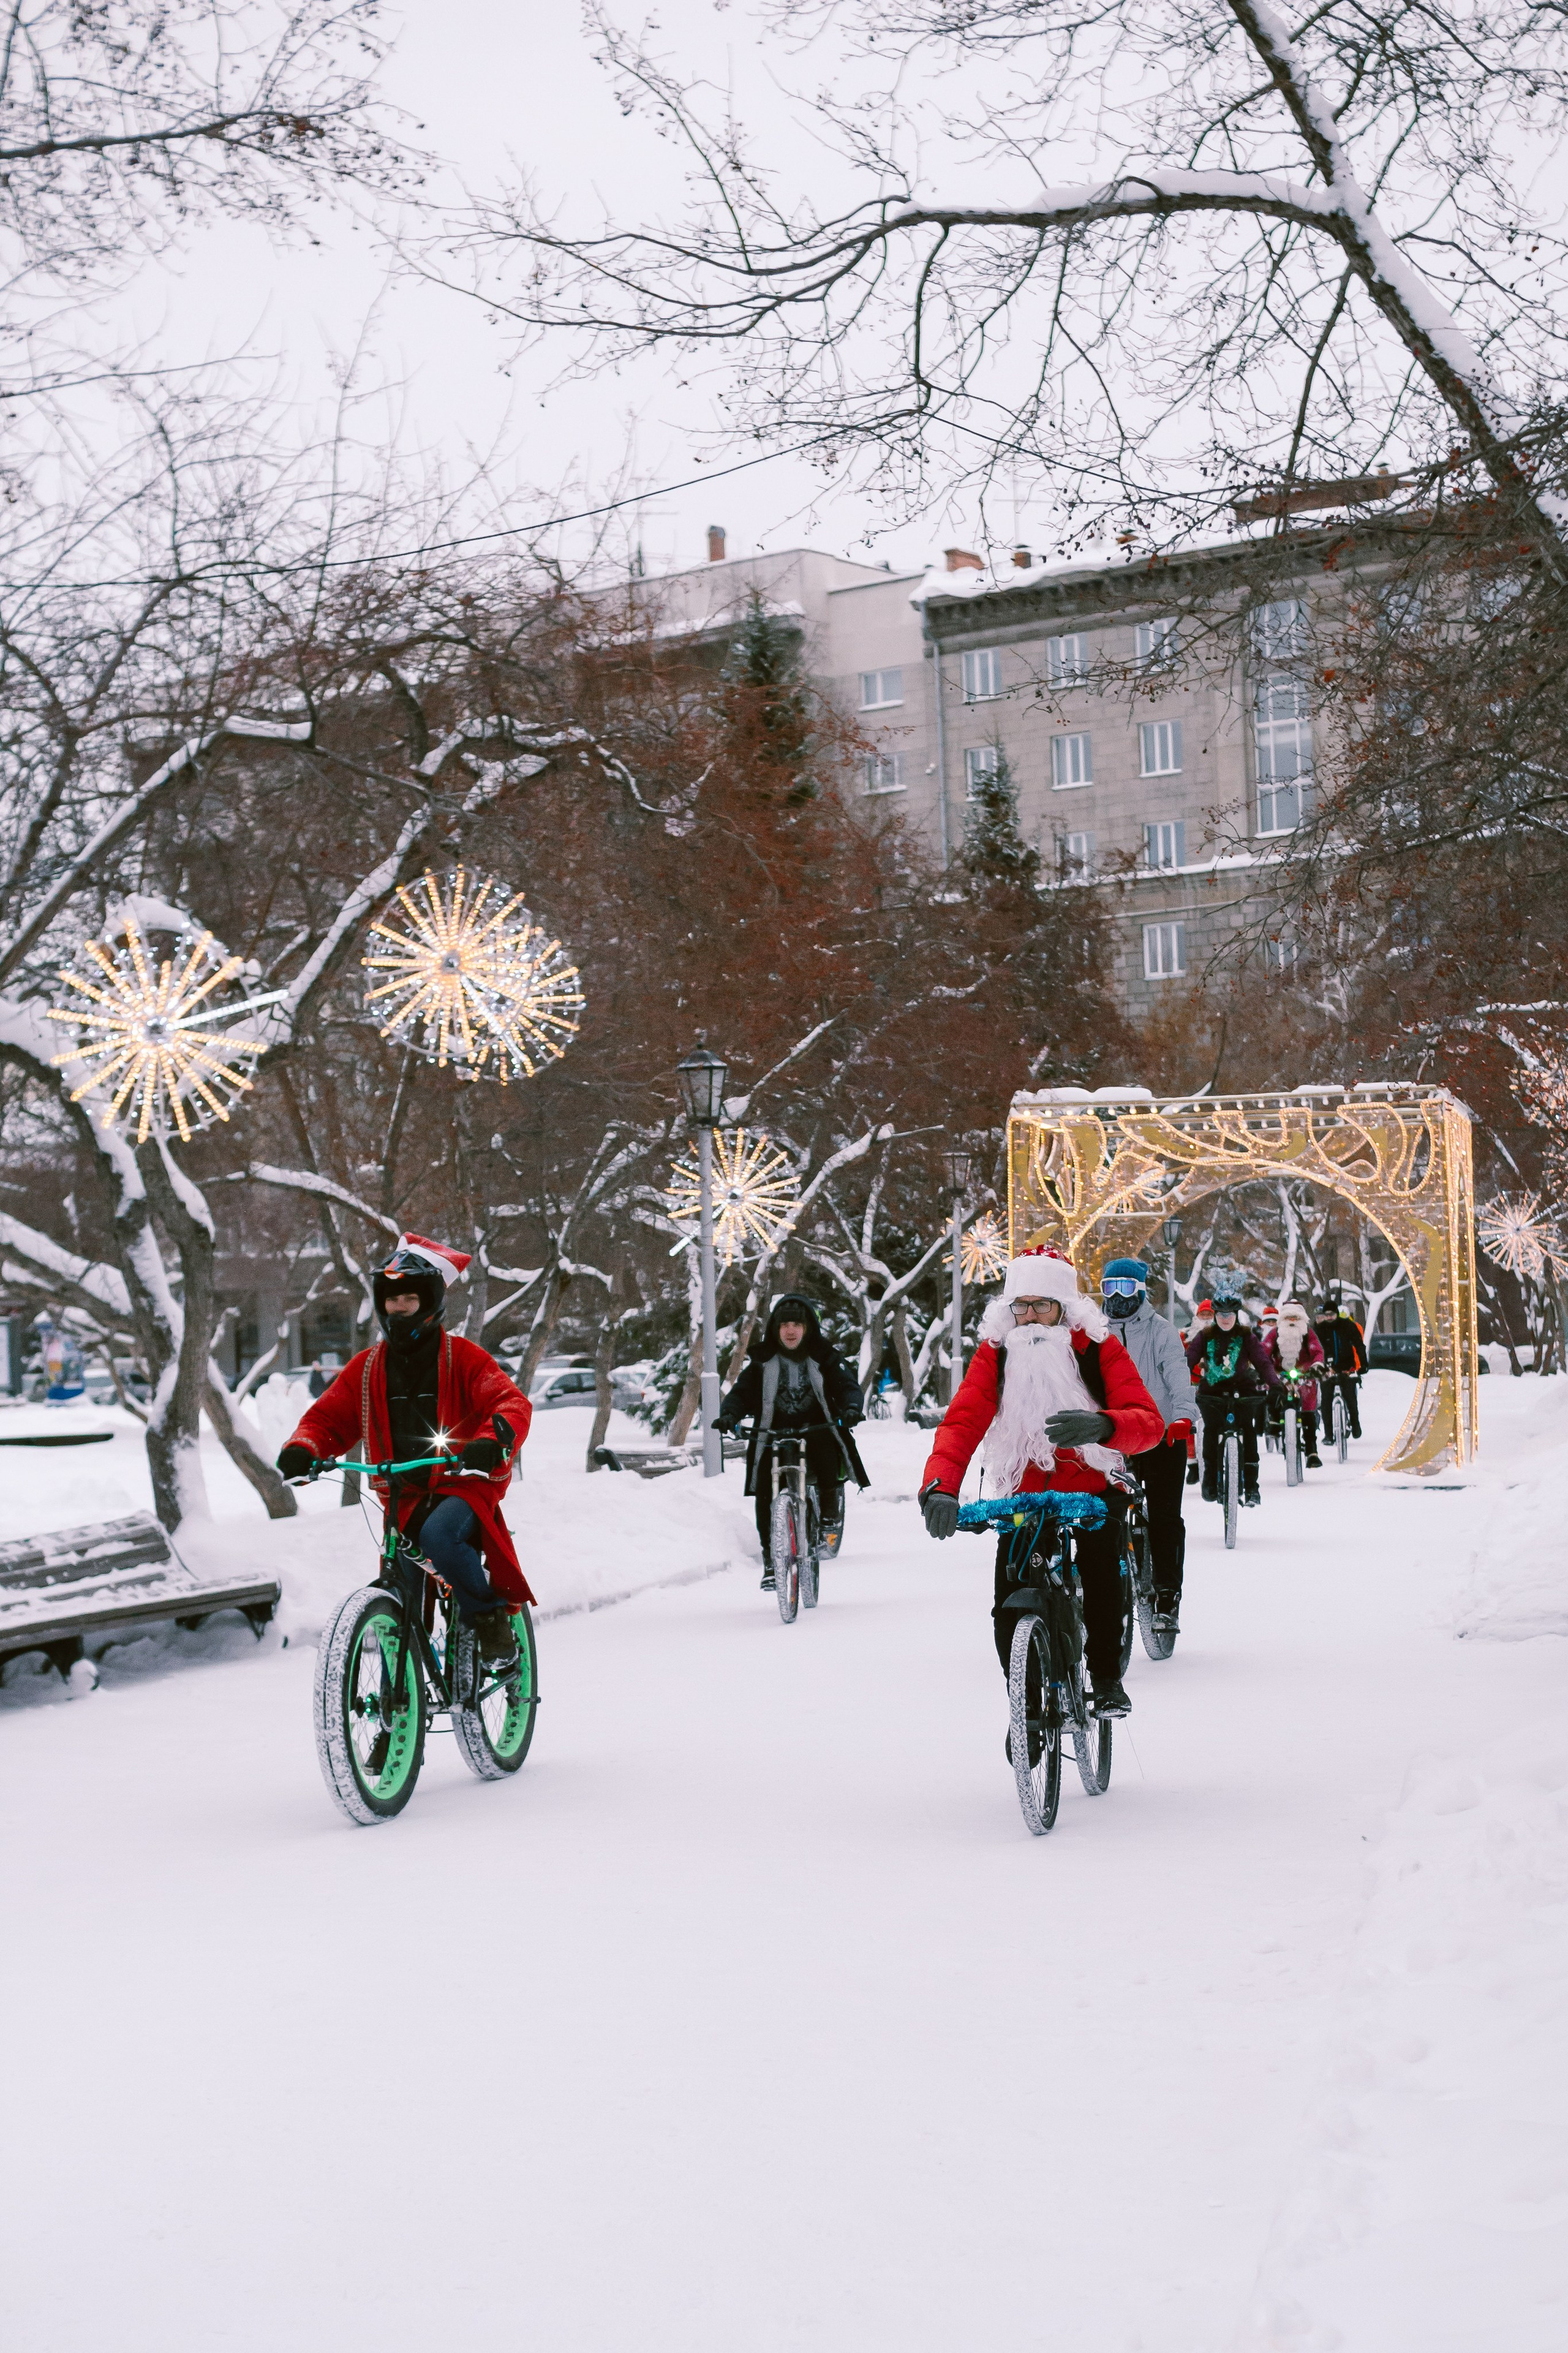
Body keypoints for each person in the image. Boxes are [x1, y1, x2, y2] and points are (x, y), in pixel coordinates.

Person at [918, 1245, 1163, 1720]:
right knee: (1007, 1598)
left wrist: (1104, 1426)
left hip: (1093, 1486)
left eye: (1042, 1305)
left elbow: (1148, 1423)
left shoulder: (1098, 1348)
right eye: (1021, 1305)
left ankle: (1108, 1679)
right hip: (1022, 1491)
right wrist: (941, 1487)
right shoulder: (997, 1353)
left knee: (1102, 1570)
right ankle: (1027, 1705)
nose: (1030, 1316)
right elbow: (962, 1422)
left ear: (1064, 1308)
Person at [276, 1234, 533, 1664]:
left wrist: (492, 1440)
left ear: (430, 1301)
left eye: (409, 1298)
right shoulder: (367, 1367)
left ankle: (490, 1620)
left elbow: (510, 1402)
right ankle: (405, 1691)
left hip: (462, 1483)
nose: (398, 1308)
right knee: (403, 1588)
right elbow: (327, 1419)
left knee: (438, 1537)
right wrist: (304, 1447)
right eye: (392, 1300)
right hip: (404, 1493)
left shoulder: (464, 1357)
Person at [716, 1293, 869, 1589]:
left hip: (817, 1429)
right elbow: (741, 1394)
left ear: (808, 1327)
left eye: (797, 1324)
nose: (790, 1330)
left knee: (826, 1454)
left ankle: (827, 1516)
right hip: (773, 1434)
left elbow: (847, 1385)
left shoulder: (825, 1357)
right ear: (775, 1328)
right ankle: (772, 1563)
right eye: (784, 1324)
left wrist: (851, 1408)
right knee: (764, 1493)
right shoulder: (762, 1362)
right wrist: (729, 1415)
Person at [1100, 1257, 1194, 1631]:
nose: (1118, 1297)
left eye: (1126, 1288)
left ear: (1140, 1291)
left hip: (1162, 1433)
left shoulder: (1161, 1331)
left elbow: (1177, 1374)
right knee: (1101, 1515)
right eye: (1111, 1288)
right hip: (1114, 1436)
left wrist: (1184, 1417)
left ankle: (1167, 1595)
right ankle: (1102, 1590)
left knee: (1165, 1515)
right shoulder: (1095, 1333)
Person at [1186, 1290, 1281, 1506]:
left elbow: (1262, 1362)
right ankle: (1209, 1480)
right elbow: (1189, 1360)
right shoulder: (1205, 1336)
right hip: (1212, 1392)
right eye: (1221, 1314)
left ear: (1237, 1315)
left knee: (1248, 1431)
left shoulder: (1247, 1336)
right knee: (1211, 1430)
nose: (1226, 1319)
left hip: (1243, 1390)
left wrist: (1274, 1384)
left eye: (1230, 1315)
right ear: (1215, 1315)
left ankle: (1252, 1487)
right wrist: (1179, 1380)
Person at [1265, 1299, 1326, 1467]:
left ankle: (1312, 1451)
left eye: (1295, 1318)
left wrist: (1316, 1366)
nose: (1292, 1321)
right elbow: (1265, 1350)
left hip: (1304, 1375)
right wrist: (1264, 1368)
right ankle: (1275, 1422)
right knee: (1274, 1393)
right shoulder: (1275, 1333)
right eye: (1288, 1317)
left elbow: (1317, 1351)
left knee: (1308, 1409)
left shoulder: (1308, 1333)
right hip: (1280, 1374)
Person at [1314, 1296, 1369, 1438]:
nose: (1329, 1317)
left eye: (1332, 1314)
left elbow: (1359, 1345)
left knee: (1350, 1397)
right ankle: (1329, 1435)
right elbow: (1312, 1349)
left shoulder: (1347, 1326)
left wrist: (1363, 1364)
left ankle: (1355, 1424)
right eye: (1326, 1315)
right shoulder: (1318, 1329)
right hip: (1326, 1369)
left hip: (1346, 1366)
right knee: (1325, 1401)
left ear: (1337, 1314)